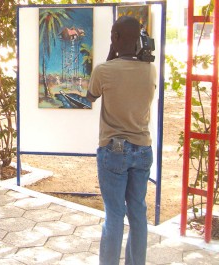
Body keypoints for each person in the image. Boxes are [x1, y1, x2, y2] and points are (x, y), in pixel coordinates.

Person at [86, 16, 156, 265]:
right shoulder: (150, 69)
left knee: (114, 214)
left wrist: (110, 55)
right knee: (138, 211)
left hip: (114, 150)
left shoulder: (104, 70)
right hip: (143, 148)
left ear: (115, 38)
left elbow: (91, 96)